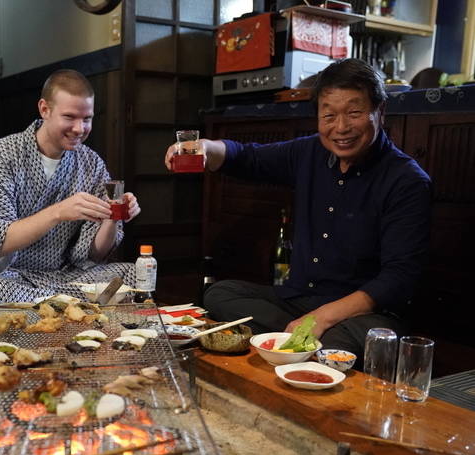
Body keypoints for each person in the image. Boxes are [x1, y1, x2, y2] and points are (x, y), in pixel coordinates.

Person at [165, 58, 431, 363]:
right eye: (329, 115)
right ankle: (299, 341)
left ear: (380, 112)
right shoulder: (309, 152)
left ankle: (294, 341)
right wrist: (207, 147)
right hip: (299, 299)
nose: (341, 127)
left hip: (362, 313)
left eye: (354, 113)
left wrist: (323, 317)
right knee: (219, 294)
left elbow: (398, 279)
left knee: (341, 339)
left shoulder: (407, 181)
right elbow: (248, 158)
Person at [0, 69, 141, 302]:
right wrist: (58, 212)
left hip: (66, 276)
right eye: (69, 117)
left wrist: (113, 216)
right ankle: (68, 305)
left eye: (87, 119)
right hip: (10, 277)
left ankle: (54, 304)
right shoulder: (1, 154)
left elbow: (95, 254)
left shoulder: (92, 164)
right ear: (44, 109)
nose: (79, 128)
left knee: (133, 275)